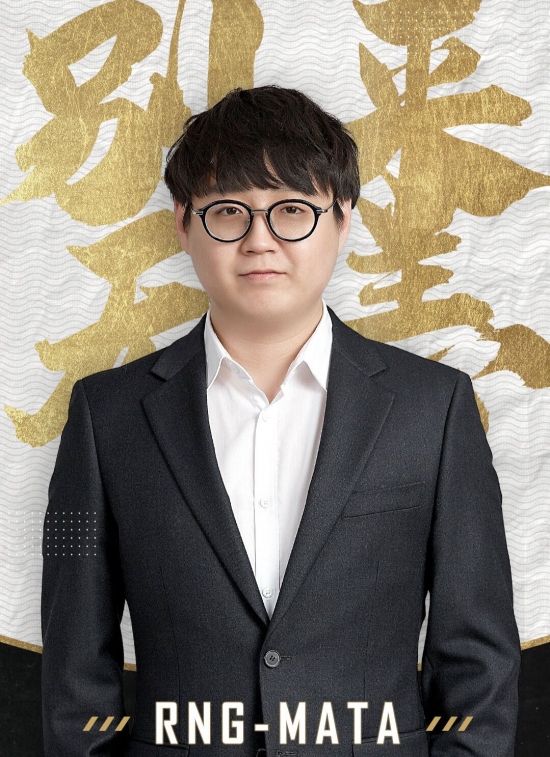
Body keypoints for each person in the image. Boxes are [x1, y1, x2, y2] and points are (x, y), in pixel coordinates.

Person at [41, 85, 521, 757]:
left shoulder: (434, 408)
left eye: (292, 210)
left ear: (343, 218)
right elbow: (73, 667)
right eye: (227, 212)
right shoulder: (104, 415)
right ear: (183, 223)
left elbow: (479, 657)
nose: (259, 241)